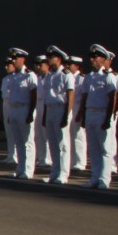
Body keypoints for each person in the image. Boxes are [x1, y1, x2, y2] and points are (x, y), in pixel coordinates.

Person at [76, 44, 118, 189]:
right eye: (92, 57)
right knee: (93, 148)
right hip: (90, 113)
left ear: (103, 59)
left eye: (96, 57)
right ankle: (95, 177)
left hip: (103, 113)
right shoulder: (89, 77)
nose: (93, 60)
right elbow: (85, 97)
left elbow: (113, 98)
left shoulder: (109, 77)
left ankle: (104, 179)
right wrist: (83, 115)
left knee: (106, 148)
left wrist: (108, 118)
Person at [38, 46, 74, 185]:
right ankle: (54, 172)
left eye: (51, 57)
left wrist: (66, 115)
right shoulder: (49, 75)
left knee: (63, 144)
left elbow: (70, 95)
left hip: (61, 109)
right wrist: (45, 116)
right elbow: (47, 96)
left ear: (58, 58)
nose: (48, 59)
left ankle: (63, 174)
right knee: (52, 144)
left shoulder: (66, 74)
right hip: (50, 109)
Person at [0, 48, 37, 179]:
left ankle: (28, 170)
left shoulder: (29, 75)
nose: (13, 61)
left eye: (15, 58)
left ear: (22, 59)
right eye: (12, 59)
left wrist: (31, 113)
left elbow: (34, 95)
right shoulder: (13, 77)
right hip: (13, 109)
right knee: (19, 141)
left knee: (28, 142)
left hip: (24, 108)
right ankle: (20, 168)